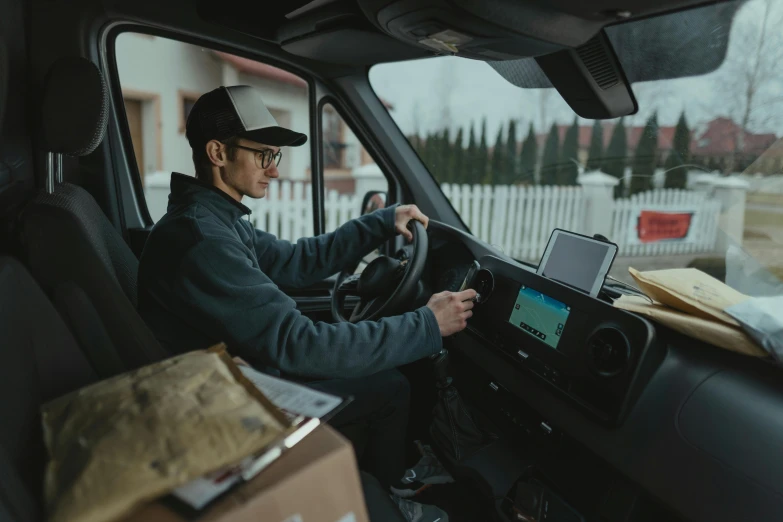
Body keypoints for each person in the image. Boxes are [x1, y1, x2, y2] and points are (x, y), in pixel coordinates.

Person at [137, 86, 474, 513]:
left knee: (388, 384)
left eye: (273, 157)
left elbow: (297, 261)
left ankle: (389, 486)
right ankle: (390, 498)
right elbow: (299, 344)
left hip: (240, 379)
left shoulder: (215, 220)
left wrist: (381, 222)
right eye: (263, 155)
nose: (273, 171)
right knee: (390, 389)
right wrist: (428, 324)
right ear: (218, 153)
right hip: (228, 408)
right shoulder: (202, 239)